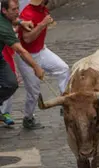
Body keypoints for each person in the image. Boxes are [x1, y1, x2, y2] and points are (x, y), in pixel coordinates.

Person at [16, 0, 68, 130]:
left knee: (63, 69)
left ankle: (65, 102)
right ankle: (28, 118)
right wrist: (42, 24)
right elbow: (27, 38)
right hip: (26, 55)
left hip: (41, 51)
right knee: (34, 91)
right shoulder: (27, 13)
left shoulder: (43, 9)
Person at [0, 0, 43, 112]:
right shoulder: (4, 28)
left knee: (11, 83)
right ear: (4, 10)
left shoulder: (5, 16)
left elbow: (13, 19)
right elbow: (21, 51)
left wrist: (21, 22)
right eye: (14, 9)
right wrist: (36, 67)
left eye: (17, 8)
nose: (18, 12)